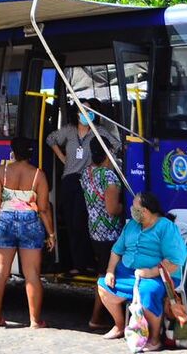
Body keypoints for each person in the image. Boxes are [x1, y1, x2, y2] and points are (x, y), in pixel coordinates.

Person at [97, 191, 187, 351]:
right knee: (103, 286)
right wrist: (110, 270)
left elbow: (175, 260)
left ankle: (154, 339)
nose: (131, 209)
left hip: (161, 276)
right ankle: (120, 325)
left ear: (145, 211)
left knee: (148, 291)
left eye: (134, 207)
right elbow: (117, 250)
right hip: (130, 273)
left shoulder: (166, 227)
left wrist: (151, 272)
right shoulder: (131, 225)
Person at [0, 136, 56, 329]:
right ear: (30, 153)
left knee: (0, 273)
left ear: (13, 152)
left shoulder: (1, 171)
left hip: (4, 221)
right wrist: (51, 233)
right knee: (32, 273)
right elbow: (43, 208)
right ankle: (34, 321)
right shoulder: (38, 175)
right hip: (30, 222)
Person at [46, 98, 117, 273]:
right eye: (82, 110)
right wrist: (62, 158)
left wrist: (102, 163)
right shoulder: (69, 131)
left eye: (89, 110)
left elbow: (116, 144)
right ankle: (78, 264)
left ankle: (90, 262)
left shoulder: (98, 131)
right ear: (76, 113)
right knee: (73, 223)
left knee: (86, 222)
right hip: (70, 180)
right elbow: (50, 139)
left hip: (88, 180)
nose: (85, 114)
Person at [81, 138, 126, 331]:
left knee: (104, 271)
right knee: (108, 274)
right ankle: (97, 317)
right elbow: (112, 208)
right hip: (110, 233)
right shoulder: (109, 177)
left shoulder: (87, 173)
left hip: (94, 231)